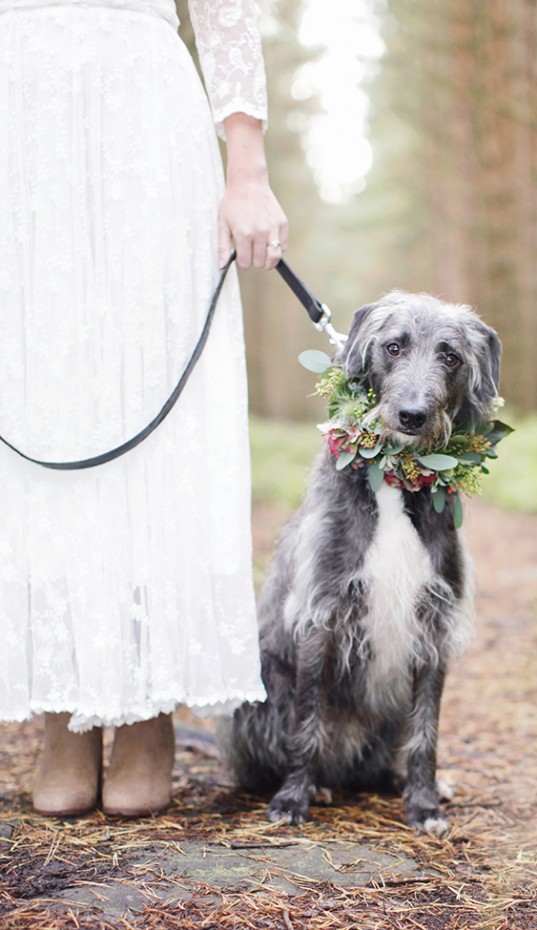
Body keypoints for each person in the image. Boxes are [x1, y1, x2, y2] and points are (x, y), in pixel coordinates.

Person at [0, 0, 287, 817]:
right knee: (40, 393)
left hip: (142, 104)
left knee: (150, 385)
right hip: (14, 109)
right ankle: (62, 705)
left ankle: (148, 707)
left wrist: (247, 172)